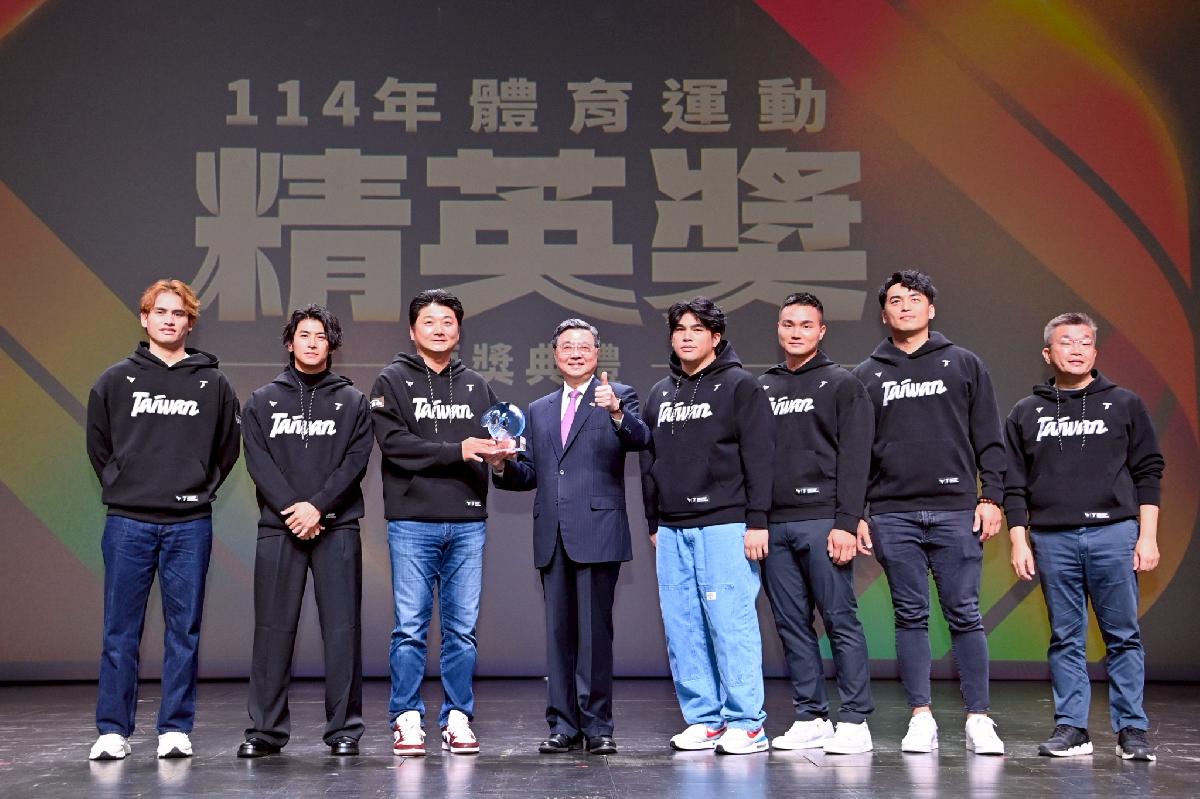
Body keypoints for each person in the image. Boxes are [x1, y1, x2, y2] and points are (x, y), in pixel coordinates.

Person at [851, 270, 1006, 755]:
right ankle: (921, 717)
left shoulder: (963, 363)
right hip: (892, 513)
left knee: (965, 614)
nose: (905, 306)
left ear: (931, 309)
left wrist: (991, 497)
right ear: (884, 314)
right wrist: (856, 513)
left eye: (914, 299)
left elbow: (989, 437)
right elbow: (855, 454)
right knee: (910, 615)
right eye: (895, 300)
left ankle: (979, 719)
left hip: (955, 510)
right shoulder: (866, 375)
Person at [85, 279, 241, 760]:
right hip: (128, 522)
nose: (169, 320)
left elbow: (226, 449)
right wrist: (125, 484)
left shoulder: (213, 384)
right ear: (144, 318)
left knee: (184, 630)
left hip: (189, 523)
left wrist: (197, 486)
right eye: (161, 312)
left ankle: (175, 727)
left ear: (190, 323)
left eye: (179, 313)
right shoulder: (115, 380)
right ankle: (113, 730)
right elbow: (98, 445)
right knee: (120, 630)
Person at [1004, 312, 1163, 761]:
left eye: (1085, 342)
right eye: (1066, 341)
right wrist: (1018, 539)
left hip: (1114, 533)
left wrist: (1147, 536)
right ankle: (1072, 728)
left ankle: (1132, 730)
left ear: (1095, 351)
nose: (1076, 349)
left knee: (1123, 636)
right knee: (1065, 637)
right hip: (1052, 539)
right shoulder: (1026, 411)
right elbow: (1013, 483)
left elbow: (1149, 471)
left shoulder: (1125, 403)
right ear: (1047, 353)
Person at [487, 319, 651, 755]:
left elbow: (641, 438)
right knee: (558, 635)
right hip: (552, 534)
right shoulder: (538, 408)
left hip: (598, 530)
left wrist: (616, 411)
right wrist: (503, 465)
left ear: (597, 354)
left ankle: (597, 727)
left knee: (594, 636)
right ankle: (562, 725)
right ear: (554, 355)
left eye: (584, 347)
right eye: (567, 347)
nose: (575, 353)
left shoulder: (618, 395)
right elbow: (532, 474)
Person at [639, 297, 774, 755]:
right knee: (682, 627)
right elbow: (649, 461)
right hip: (672, 528)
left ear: (716, 337)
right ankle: (704, 719)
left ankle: (747, 723)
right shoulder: (660, 393)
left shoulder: (740, 386)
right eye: (680, 329)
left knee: (730, 624)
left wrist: (757, 521)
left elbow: (760, 457)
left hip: (725, 524)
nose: (687, 336)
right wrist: (654, 520)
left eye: (697, 329)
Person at [237, 305, 373, 758]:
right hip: (280, 527)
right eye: (304, 335)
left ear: (332, 345)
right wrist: (295, 510)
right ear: (289, 342)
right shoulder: (261, 400)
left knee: (342, 630)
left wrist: (318, 507)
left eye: (321, 336)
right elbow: (258, 461)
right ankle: (265, 731)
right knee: (272, 630)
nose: (312, 343)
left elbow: (355, 462)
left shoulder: (353, 401)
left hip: (337, 527)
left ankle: (344, 730)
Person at [372, 289, 500, 756]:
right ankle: (406, 716)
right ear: (413, 331)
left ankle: (457, 716)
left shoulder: (477, 385)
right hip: (413, 521)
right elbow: (395, 445)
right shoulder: (391, 380)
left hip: (467, 521)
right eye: (429, 321)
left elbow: (496, 438)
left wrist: (502, 456)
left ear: (459, 330)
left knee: (462, 630)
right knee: (410, 627)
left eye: (447, 321)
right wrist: (457, 450)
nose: (439, 329)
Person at [758, 293, 875, 754]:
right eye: (788, 324)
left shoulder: (843, 384)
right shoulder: (762, 387)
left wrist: (847, 521)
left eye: (806, 325)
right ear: (777, 329)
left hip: (825, 521)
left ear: (821, 331)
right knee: (791, 624)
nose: (796, 332)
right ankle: (811, 716)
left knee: (840, 619)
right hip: (774, 526)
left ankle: (855, 720)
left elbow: (856, 458)